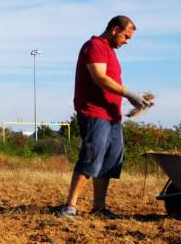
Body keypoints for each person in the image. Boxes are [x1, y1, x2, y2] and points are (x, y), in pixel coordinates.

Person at [57, 15, 151, 219]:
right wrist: (129, 94)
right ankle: (70, 206)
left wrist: (135, 99)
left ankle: (99, 207)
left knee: (109, 161)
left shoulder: (109, 51)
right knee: (91, 157)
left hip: (112, 115)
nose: (127, 42)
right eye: (126, 36)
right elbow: (99, 77)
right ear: (115, 30)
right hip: (94, 112)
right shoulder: (95, 46)